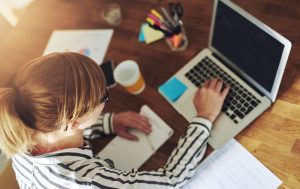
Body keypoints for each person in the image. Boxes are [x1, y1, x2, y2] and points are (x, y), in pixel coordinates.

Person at [0, 52, 230, 189]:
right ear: (73, 122)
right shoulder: (88, 181)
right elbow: (171, 181)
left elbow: (61, 131)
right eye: (104, 97)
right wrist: (204, 117)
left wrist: (109, 123)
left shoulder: (22, 122)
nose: (105, 99)